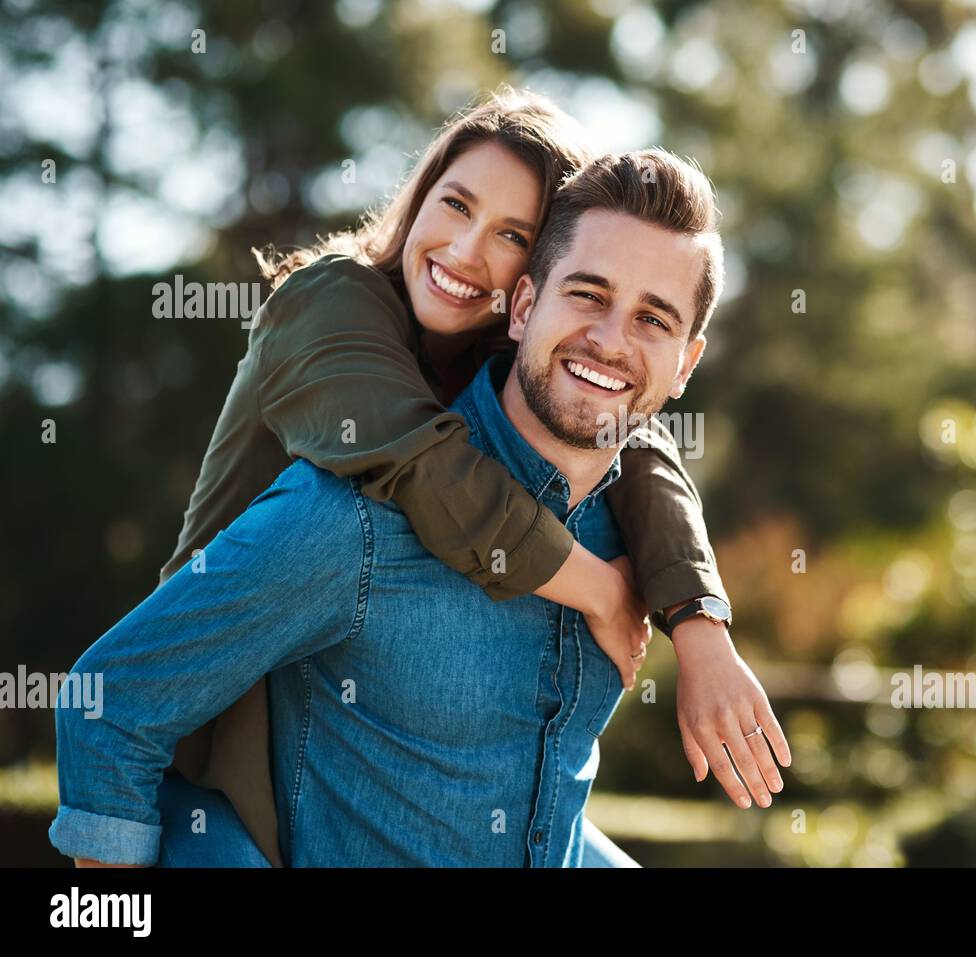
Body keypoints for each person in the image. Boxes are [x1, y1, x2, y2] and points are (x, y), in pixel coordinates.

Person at [49, 148, 789, 866]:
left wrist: (701, 626)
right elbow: (103, 706)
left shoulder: (628, 527)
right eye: (587, 293)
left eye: (653, 320)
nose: (609, 339)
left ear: (687, 363)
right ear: (524, 303)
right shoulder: (355, 514)